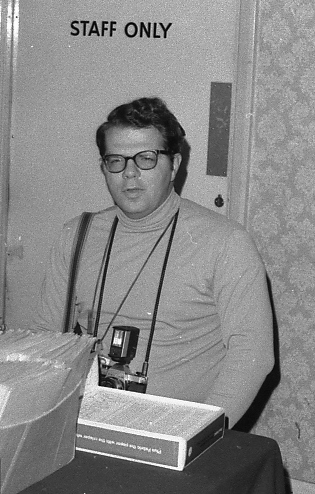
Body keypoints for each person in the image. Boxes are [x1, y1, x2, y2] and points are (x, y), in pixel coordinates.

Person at [32, 97, 274, 428]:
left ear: (174, 165)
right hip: (88, 422)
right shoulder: (77, 235)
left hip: (180, 431)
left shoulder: (226, 242)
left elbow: (253, 356)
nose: (129, 174)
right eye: (116, 161)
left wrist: (196, 433)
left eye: (146, 158)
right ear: (104, 167)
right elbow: (46, 337)